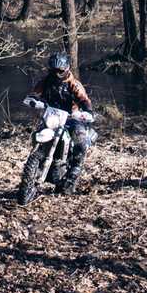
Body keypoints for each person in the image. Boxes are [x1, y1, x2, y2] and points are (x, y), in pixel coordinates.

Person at [31, 52, 96, 194]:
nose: (56, 74)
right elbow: (35, 93)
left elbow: (84, 100)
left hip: (71, 117)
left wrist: (88, 112)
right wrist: (33, 100)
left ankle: (74, 171)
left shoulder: (74, 84)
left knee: (80, 139)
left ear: (66, 69)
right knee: (37, 134)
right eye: (53, 70)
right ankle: (37, 163)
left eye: (59, 71)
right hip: (52, 116)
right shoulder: (46, 81)